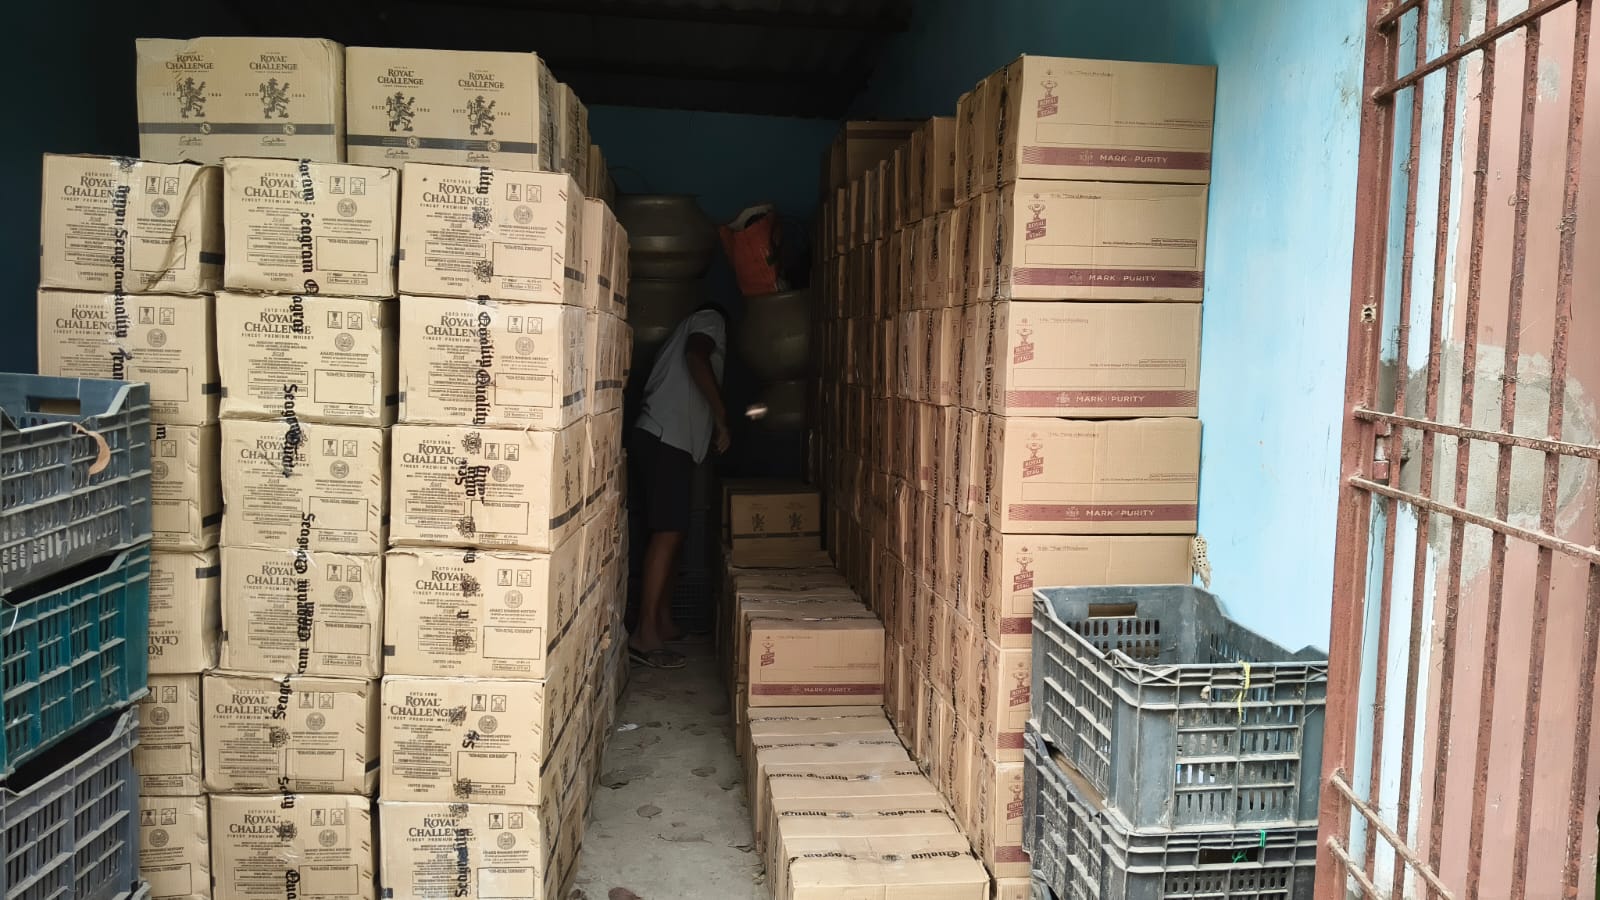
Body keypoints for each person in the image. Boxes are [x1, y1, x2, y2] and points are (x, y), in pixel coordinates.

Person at [630, 303, 730, 669]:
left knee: (675, 532)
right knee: (668, 531)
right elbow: (696, 357)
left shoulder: (694, 326)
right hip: (665, 438)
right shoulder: (711, 319)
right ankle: (644, 635)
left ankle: (663, 621)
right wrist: (721, 416)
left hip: (667, 440)